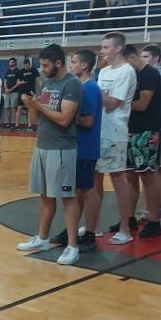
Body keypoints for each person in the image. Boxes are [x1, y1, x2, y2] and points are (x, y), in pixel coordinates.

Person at [15, 44, 82, 265]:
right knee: (45, 196)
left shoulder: (72, 84)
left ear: (58, 63)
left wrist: (39, 105)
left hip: (61, 149)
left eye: (45, 65)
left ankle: (72, 246)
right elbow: (37, 118)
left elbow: (64, 119)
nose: (42, 69)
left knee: (67, 198)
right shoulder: (47, 83)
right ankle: (43, 238)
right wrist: (31, 105)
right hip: (42, 146)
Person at [89, 32, 137, 244]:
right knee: (95, 178)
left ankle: (125, 229)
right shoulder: (104, 71)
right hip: (99, 131)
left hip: (115, 132)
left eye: (106, 47)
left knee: (118, 179)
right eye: (102, 47)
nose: (102, 51)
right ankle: (94, 227)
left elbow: (111, 104)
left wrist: (91, 87)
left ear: (118, 48)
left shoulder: (126, 71)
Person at [124, 44, 161, 239]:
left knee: (148, 175)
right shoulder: (133, 75)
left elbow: (142, 104)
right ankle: (129, 218)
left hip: (147, 131)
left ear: (132, 58)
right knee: (130, 176)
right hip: (131, 130)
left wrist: (119, 101)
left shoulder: (150, 74)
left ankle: (154, 221)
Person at [69, 50, 102, 252]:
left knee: (87, 190)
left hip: (86, 147)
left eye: (74, 61)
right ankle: (71, 229)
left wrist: (67, 115)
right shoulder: (82, 87)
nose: (71, 64)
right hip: (78, 146)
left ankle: (90, 232)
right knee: (77, 191)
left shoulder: (89, 88)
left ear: (84, 65)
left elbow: (88, 121)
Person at [15, 58, 40, 131]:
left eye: (27, 66)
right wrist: (22, 82)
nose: (26, 67)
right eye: (25, 66)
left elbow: (38, 80)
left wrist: (41, 85)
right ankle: (16, 125)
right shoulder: (21, 71)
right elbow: (17, 83)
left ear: (29, 64)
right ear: (24, 65)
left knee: (29, 108)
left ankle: (29, 126)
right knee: (19, 108)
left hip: (31, 92)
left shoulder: (34, 70)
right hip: (22, 92)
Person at [3, 57, 21, 129]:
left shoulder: (18, 71)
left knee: (14, 108)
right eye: (10, 62)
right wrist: (6, 89)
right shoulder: (8, 71)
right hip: (7, 92)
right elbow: (5, 81)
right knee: (7, 108)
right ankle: (8, 123)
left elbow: (18, 83)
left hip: (15, 92)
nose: (10, 63)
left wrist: (10, 89)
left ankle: (15, 124)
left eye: (12, 62)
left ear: (15, 63)